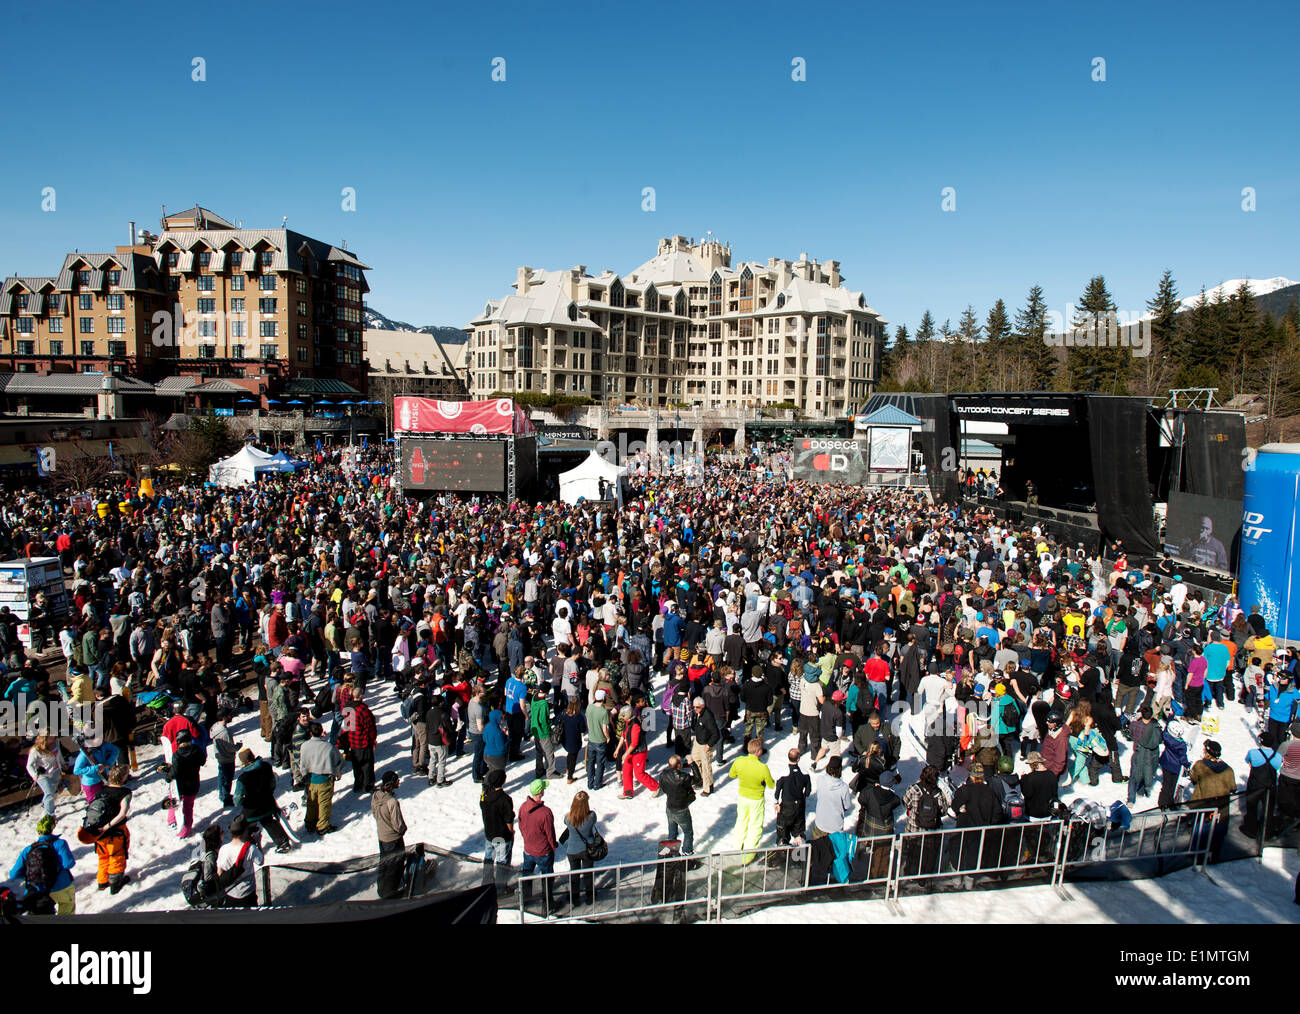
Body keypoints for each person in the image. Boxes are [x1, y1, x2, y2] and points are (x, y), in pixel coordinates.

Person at [76, 763, 132, 894]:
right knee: (117, 855)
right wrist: (108, 826)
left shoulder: (101, 790)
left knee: (103, 856)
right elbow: (123, 813)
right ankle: (115, 883)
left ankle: (102, 881)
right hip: (115, 830)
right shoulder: (125, 792)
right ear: (123, 777)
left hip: (97, 832)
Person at [8, 814, 76, 914]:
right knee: (67, 911)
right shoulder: (60, 843)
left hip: (37, 891)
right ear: (52, 828)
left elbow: (13, 874)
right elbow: (68, 864)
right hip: (62, 886)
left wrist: (35, 874)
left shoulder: (28, 850)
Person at [233, 748, 293, 853]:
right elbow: (272, 783)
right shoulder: (266, 767)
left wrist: (241, 801)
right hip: (267, 803)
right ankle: (283, 842)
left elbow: (237, 799)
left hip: (251, 810)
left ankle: (250, 846)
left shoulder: (243, 778)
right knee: (269, 821)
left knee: (244, 826)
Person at [729, 738, 775, 863]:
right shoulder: (762, 767)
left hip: (742, 796)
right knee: (755, 825)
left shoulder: (739, 761)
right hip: (756, 799)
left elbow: (732, 775)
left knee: (741, 821)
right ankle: (748, 855)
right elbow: (771, 785)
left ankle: (736, 848)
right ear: (759, 752)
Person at [518, 778, 558, 911]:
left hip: (528, 850)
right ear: (540, 792)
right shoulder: (545, 813)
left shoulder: (523, 807)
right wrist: (553, 846)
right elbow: (550, 834)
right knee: (547, 879)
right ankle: (547, 904)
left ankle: (525, 901)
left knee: (527, 876)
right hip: (543, 852)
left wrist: (527, 839)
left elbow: (521, 825)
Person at [157, 727, 204, 838]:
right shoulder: (196, 749)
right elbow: (202, 761)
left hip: (179, 785)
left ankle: (172, 821)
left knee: (173, 801)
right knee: (188, 807)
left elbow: (175, 771)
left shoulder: (178, 755)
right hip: (193, 783)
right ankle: (186, 829)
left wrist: (168, 777)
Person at [299, 722, 342, 836]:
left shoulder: (304, 746)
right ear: (322, 732)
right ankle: (322, 826)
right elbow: (339, 761)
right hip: (325, 779)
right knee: (324, 804)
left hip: (310, 779)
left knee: (311, 802)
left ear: (311, 733)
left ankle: (309, 822)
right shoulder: (329, 747)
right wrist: (337, 772)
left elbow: (302, 763)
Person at [561, 789, 601, 907]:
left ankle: (575, 897)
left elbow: (567, 819)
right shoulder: (591, 817)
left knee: (574, 874)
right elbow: (591, 817)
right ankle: (590, 896)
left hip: (572, 850)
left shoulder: (568, 819)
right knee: (588, 873)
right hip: (586, 849)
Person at [372, 770, 408, 898]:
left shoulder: (376, 795)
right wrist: (403, 830)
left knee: (385, 863)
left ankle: (382, 887)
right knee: (395, 865)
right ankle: (390, 891)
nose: (399, 782)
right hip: (393, 838)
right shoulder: (392, 802)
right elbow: (397, 823)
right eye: (397, 780)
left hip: (382, 836)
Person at [479, 768, 515, 894]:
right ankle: (500, 888)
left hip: (489, 834)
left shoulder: (484, 796)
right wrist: (511, 832)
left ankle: (486, 882)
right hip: (501, 836)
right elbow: (509, 819)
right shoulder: (505, 799)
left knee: (488, 858)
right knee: (502, 862)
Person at [217, 815, 264, 907]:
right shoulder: (251, 848)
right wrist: (258, 842)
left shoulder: (223, 849)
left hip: (230, 892)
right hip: (248, 893)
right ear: (244, 831)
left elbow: (220, 871)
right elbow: (261, 861)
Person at [1241, 731, 1282, 837]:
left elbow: (1248, 761)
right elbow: (1277, 767)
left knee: (1252, 808)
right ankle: (1267, 832)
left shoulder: (1252, 752)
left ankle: (1250, 830)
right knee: (1268, 810)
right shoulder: (1278, 756)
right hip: (1270, 786)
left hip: (1255, 785)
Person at [615, 704, 660, 799]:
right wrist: (617, 749)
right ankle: (628, 792)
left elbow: (634, 743)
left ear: (627, 715)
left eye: (623, 715)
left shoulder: (635, 725)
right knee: (626, 770)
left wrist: (626, 753)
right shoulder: (626, 722)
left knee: (639, 774)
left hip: (639, 752)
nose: (621, 717)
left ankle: (655, 786)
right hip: (630, 751)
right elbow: (623, 736)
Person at [658, 754, 697, 856]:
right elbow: (698, 779)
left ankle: (672, 852)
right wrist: (692, 763)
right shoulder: (684, 777)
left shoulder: (663, 775)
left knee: (672, 832)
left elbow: (663, 788)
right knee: (688, 833)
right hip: (681, 809)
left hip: (670, 807)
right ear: (679, 765)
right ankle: (687, 852)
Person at [773, 747, 812, 845]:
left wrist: (776, 803)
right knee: (799, 831)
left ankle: (782, 852)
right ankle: (799, 857)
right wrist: (802, 798)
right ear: (798, 759)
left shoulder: (783, 773)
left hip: (786, 805)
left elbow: (777, 791)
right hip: (799, 805)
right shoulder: (805, 773)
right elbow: (808, 791)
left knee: (783, 831)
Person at [810, 754, 855, 838]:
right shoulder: (843, 787)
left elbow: (819, 795)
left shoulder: (820, 779)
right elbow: (847, 805)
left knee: (818, 848)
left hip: (821, 823)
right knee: (834, 849)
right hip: (836, 826)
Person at [342, 688, 377, 793]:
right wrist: (373, 739)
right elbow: (369, 727)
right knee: (367, 765)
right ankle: (368, 785)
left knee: (356, 765)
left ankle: (358, 784)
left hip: (353, 741)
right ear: (361, 696)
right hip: (364, 742)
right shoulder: (363, 710)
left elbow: (346, 726)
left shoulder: (348, 709)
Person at [1127, 705, 1162, 805]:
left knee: (1133, 776)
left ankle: (1131, 799)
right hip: (1150, 754)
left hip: (1138, 753)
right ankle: (1141, 791)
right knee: (1147, 772)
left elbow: (1131, 735)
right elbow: (1159, 740)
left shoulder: (1134, 725)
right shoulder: (1155, 727)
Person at [25, 735, 64, 818]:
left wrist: (63, 764)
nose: (53, 739)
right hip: (42, 775)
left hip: (55, 771)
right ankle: (49, 814)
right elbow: (29, 765)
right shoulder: (35, 750)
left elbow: (59, 753)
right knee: (49, 793)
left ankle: (45, 804)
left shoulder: (56, 743)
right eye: (51, 737)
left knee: (51, 792)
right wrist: (34, 775)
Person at [1157, 721, 1192, 811]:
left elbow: (1164, 732)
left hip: (1165, 763)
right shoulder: (1181, 745)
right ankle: (1167, 803)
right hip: (1175, 767)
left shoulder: (1166, 737)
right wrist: (1187, 764)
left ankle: (1163, 802)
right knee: (1171, 786)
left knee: (1166, 785)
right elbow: (1182, 758)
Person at [210, 706, 240, 808]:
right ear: (224, 717)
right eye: (229, 715)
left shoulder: (214, 727)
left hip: (220, 757)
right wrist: (238, 746)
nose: (231, 716)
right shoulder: (224, 732)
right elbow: (231, 748)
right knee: (227, 779)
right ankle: (226, 798)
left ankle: (222, 795)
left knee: (221, 777)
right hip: (228, 758)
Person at [690, 695, 719, 795]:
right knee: (695, 761)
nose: (694, 709)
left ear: (702, 706)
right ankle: (700, 780)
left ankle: (708, 787)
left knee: (706, 766)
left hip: (706, 744)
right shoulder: (697, 714)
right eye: (693, 707)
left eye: (697, 707)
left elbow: (716, 734)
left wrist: (709, 745)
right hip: (698, 741)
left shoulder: (707, 717)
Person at [585, 689, 612, 790]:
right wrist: (608, 737)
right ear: (603, 698)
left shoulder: (589, 707)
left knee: (591, 762)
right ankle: (597, 784)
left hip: (592, 738)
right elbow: (605, 729)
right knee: (600, 763)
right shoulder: (604, 712)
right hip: (600, 740)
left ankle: (590, 783)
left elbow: (588, 722)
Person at [559, 696, 586, 784]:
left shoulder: (564, 715)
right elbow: (583, 729)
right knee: (573, 758)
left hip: (566, 739)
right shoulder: (579, 717)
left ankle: (568, 769)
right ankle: (570, 776)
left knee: (570, 755)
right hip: (575, 740)